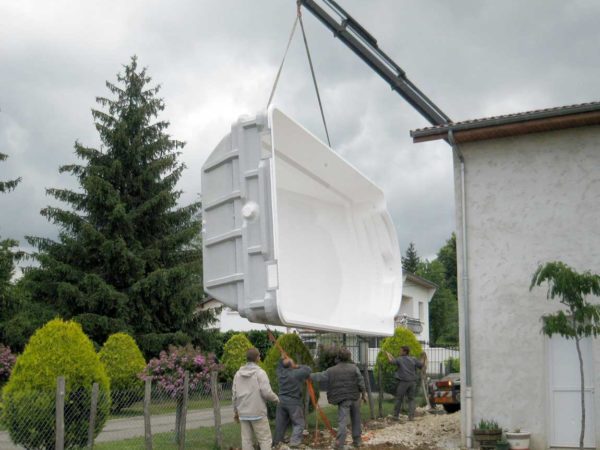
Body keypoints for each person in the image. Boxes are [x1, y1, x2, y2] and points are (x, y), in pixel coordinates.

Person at [310, 348, 367, 449]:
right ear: (349, 357)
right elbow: (361, 381)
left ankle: (339, 444)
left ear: (338, 357)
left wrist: (308, 375)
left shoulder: (331, 370)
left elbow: (320, 376)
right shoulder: (354, 368)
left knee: (342, 422)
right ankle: (357, 441)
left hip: (343, 399)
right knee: (356, 419)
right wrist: (364, 394)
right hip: (354, 397)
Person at [232, 348, 279, 450]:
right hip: (258, 413)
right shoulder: (260, 373)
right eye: (259, 356)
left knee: (246, 441)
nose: (260, 357)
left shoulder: (237, 374)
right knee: (265, 440)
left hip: (243, 413)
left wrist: (236, 411)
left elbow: (234, 395)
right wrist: (277, 399)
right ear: (257, 358)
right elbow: (266, 392)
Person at [273, 356, 312, 448]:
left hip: (281, 402)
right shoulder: (297, 373)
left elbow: (280, 365)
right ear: (292, 365)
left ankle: (276, 444)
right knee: (299, 423)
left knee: (280, 424)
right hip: (294, 403)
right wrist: (297, 365)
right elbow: (308, 369)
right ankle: (294, 443)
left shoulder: (280, 372)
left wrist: (283, 360)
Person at [385, 346, 424, 421]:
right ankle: (411, 417)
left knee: (399, 398)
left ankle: (395, 416)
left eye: (401, 351)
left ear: (405, 352)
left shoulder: (400, 359)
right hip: (412, 382)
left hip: (403, 382)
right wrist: (422, 357)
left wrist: (387, 354)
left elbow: (391, 361)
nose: (400, 352)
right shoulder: (413, 359)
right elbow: (421, 365)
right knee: (411, 399)